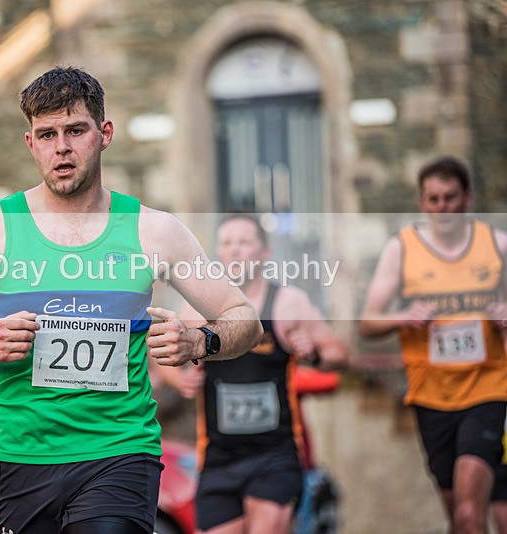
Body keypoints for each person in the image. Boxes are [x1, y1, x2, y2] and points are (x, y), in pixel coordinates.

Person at [0, 66, 262, 534]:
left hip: (120, 451)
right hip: (23, 454)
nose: (61, 147)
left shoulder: (154, 230)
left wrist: (199, 341)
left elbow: (244, 320)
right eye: (46, 135)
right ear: (30, 143)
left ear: (104, 134)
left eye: (75, 130)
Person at [157, 214, 347, 534]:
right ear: (218, 253)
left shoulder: (289, 303)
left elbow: (340, 356)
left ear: (264, 253)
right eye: (227, 243)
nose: (235, 250)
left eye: (245, 242)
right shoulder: (197, 309)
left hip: (274, 453)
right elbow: (159, 364)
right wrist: (180, 376)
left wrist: (312, 352)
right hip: (218, 457)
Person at [359, 156, 507, 534]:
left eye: (450, 198)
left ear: (467, 198)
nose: (442, 208)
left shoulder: (496, 244)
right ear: (422, 202)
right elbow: (367, 322)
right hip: (431, 398)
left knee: (471, 513)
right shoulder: (402, 249)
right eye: (433, 199)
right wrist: (403, 317)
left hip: (488, 390)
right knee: (457, 518)